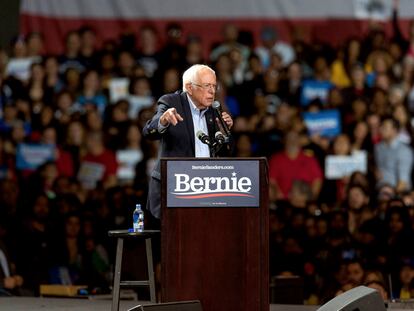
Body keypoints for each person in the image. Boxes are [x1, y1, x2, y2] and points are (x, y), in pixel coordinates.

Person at [142, 64, 234, 219]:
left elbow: (225, 152)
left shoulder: (214, 111)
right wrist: (163, 121)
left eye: (214, 86)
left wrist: (225, 134)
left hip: (205, 189)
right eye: (206, 86)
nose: (212, 91)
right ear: (189, 87)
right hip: (175, 188)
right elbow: (148, 131)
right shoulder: (171, 102)